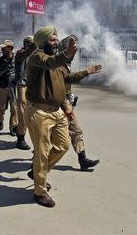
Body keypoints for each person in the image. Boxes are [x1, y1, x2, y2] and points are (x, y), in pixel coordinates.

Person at [24, 26, 77, 208]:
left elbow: (66, 79)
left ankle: (38, 171)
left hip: (57, 111)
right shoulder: (36, 57)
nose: (56, 42)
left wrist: (87, 71)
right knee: (42, 152)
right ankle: (39, 192)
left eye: (57, 40)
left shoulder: (56, 63)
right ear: (43, 42)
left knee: (63, 145)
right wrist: (67, 53)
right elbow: (50, 62)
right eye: (53, 40)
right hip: (39, 112)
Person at [58, 36, 102, 170]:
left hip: (65, 101)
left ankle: (82, 159)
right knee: (48, 135)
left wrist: (69, 97)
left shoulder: (65, 63)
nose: (75, 51)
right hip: (55, 103)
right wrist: (86, 71)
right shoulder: (57, 63)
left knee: (76, 130)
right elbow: (68, 79)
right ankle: (37, 162)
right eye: (72, 48)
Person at [0, 40, 18, 136]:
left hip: (13, 87)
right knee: (1, 109)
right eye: (2, 48)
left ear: (10, 48)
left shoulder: (17, 59)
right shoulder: (0, 60)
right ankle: (0, 120)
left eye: (4, 47)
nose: (2, 49)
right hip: (2, 87)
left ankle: (13, 128)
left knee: (14, 109)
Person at [14, 35, 35, 150]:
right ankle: (20, 138)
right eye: (28, 43)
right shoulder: (20, 53)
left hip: (33, 86)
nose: (29, 45)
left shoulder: (35, 56)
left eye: (30, 43)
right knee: (22, 112)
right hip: (22, 84)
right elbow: (26, 53)